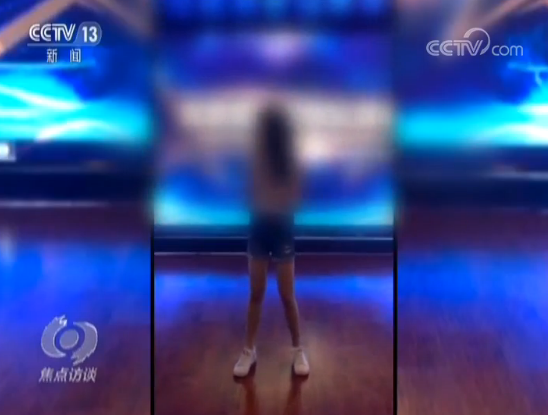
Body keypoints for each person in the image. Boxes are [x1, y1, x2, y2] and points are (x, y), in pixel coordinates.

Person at [233, 102, 310, 377]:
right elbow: (247, 194)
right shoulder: (254, 159)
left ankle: (298, 349)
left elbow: (296, 198)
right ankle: (248, 350)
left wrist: (277, 198)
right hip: (259, 227)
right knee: (256, 293)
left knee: (287, 295)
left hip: (282, 228)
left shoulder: (290, 161)